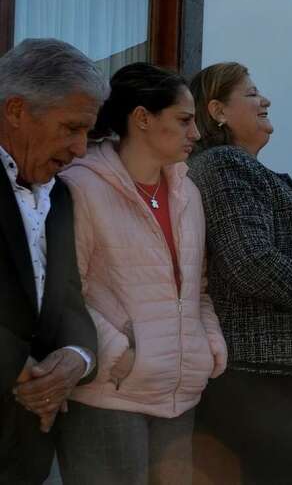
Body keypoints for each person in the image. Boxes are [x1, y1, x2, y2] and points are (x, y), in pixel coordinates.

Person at [55, 62, 226, 485]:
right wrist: (118, 353)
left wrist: (207, 344)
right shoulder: (80, 187)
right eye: (184, 120)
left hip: (179, 396)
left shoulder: (187, 192)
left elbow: (197, 287)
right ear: (142, 118)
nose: (196, 132)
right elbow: (61, 291)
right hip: (109, 395)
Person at [188, 62, 292, 484]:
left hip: (281, 382)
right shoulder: (224, 165)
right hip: (263, 384)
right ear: (218, 111)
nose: (265, 100)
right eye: (251, 93)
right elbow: (250, 260)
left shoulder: (245, 168)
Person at [0, 38, 102, 484]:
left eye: (88, 132)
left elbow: (68, 299)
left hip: (26, 446)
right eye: (72, 128)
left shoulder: (60, 196)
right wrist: (20, 370)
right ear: (16, 110)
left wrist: (77, 358)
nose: (81, 148)